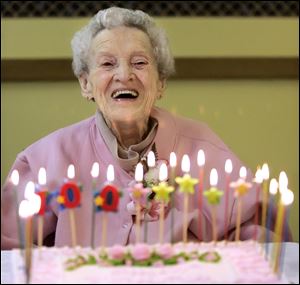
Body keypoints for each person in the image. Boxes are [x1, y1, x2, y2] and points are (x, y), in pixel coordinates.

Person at [1, 6, 281, 249]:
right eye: (108, 64)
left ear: (161, 82)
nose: (124, 75)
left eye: (140, 63)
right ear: (86, 84)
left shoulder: (202, 149)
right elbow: (9, 250)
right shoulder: (46, 158)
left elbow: (258, 234)